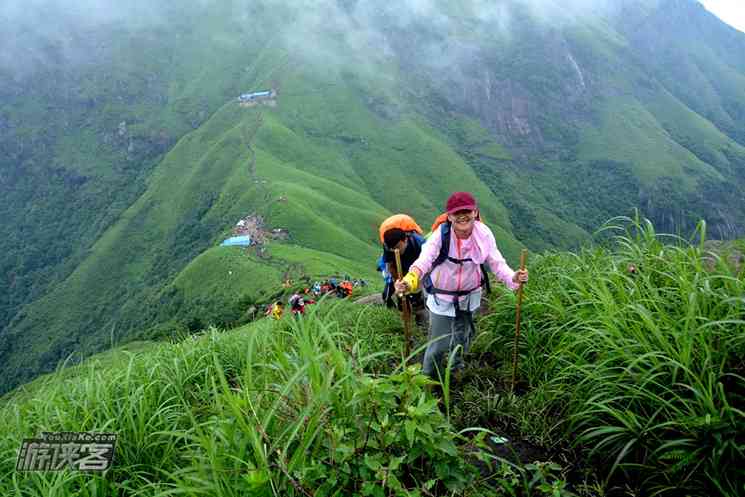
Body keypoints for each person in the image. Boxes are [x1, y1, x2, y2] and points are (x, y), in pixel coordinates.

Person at [394, 192, 529, 379]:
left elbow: (497, 262)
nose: (462, 216)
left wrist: (513, 277)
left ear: (475, 212)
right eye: (457, 213)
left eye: (467, 211)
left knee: (463, 335)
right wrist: (409, 281)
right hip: (442, 297)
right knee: (439, 343)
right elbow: (423, 261)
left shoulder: (484, 234)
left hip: (470, 294)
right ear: (449, 216)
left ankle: (456, 368)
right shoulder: (440, 236)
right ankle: (428, 380)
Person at [378, 214, 427, 323]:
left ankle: (421, 320)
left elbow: (427, 261)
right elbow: (390, 265)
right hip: (399, 269)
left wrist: (416, 281)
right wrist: (398, 282)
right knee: (398, 295)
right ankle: (405, 318)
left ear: (405, 240)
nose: (397, 251)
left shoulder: (418, 242)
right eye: (393, 249)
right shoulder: (388, 246)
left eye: (399, 247)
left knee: (417, 297)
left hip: (416, 270)